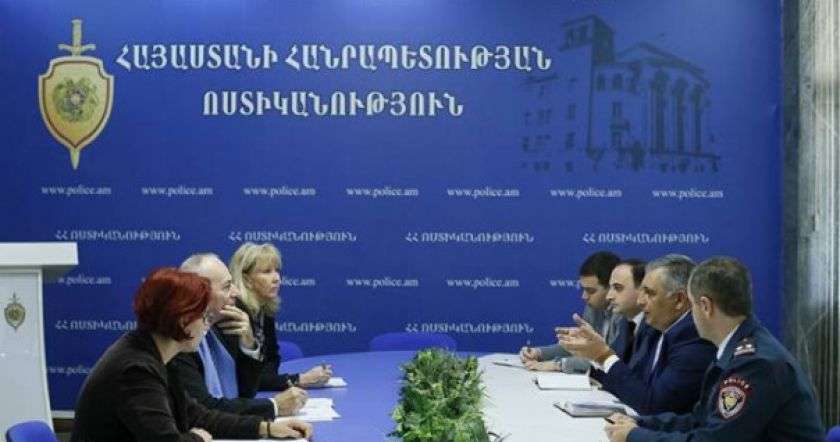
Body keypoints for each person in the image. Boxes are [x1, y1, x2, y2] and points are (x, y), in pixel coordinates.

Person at [71, 268, 312, 442]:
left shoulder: (156, 352)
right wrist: (197, 439)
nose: (207, 326)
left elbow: (198, 415)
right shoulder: (135, 370)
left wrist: (265, 428)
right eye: (203, 317)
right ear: (182, 321)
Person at [605, 257, 824, 441]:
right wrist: (640, 423)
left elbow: (713, 440)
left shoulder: (755, 364)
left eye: (692, 306)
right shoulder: (734, 348)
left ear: (706, 306)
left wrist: (635, 437)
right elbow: (700, 420)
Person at [559, 254, 715, 415]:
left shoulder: (692, 339)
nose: (640, 301)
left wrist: (603, 355)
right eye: (642, 291)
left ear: (679, 300)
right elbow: (634, 384)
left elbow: (654, 405)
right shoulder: (655, 329)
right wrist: (595, 356)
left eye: (649, 293)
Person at [169, 253, 308, 419]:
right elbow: (203, 408)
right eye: (227, 286)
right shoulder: (178, 340)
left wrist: (248, 343)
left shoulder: (226, 323)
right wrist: (274, 406)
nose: (236, 292)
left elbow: (246, 393)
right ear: (198, 293)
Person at [228, 242, 331, 390]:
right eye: (266, 272)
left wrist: (288, 380)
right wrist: (300, 379)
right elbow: (244, 378)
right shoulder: (236, 314)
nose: (276, 278)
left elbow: (272, 361)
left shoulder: (264, 309)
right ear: (247, 280)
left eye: (277, 270)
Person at [520, 251, 623, 373]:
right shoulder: (592, 308)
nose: (584, 296)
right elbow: (578, 347)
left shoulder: (623, 315)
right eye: (583, 289)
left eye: (591, 291)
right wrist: (538, 353)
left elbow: (609, 360)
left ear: (611, 288)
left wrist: (558, 365)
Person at [604, 259, 650, 364]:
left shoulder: (655, 326)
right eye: (610, 288)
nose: (609, 296)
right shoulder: (624, 323)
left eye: (618, 288)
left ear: (642, 289)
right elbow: (614, 364)